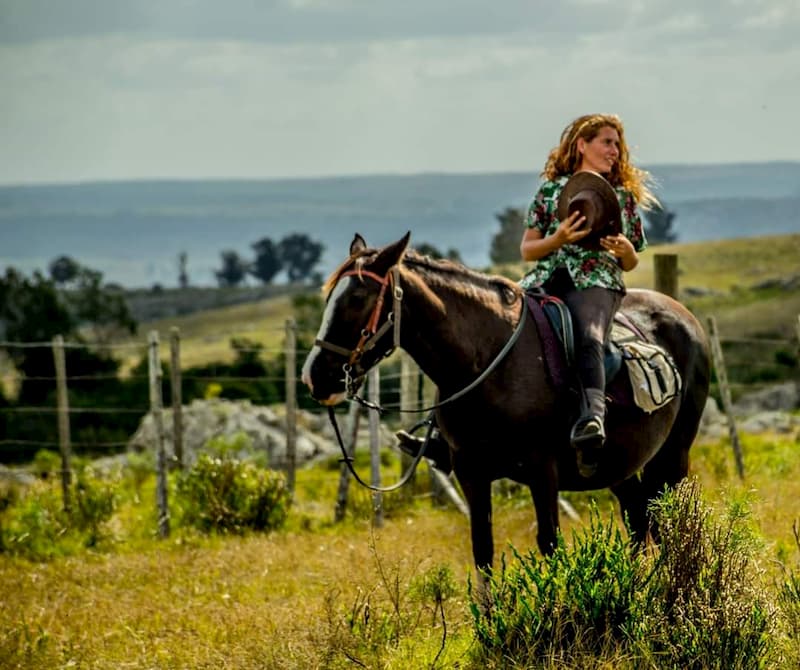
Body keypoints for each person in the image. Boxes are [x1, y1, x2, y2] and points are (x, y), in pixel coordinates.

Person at [519, 113, 655, 477]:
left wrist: (626, 250)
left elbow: (630, 262)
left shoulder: (622, 197)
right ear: (582, 145)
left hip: (597, 281)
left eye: (617, 145)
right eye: (607, 142)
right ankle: (441, 431)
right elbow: (528, 250)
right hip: (546, 276)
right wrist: (558, 239)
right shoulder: (551, 192)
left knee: (590, 337)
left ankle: (592, 418)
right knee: (494, 323)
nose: (615, 151)